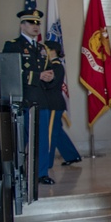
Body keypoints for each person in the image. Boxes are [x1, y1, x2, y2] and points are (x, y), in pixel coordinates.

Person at [2, 9, 59, 184]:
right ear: (22, 25)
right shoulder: (13, 45)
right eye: (31, 23)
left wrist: (49, 77)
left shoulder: (42, 49)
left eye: (37, 23)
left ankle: (40, 173)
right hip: (23, 99)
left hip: (41, 100)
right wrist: (37, 76)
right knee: (21, 140)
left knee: (42, 140)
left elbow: (47, 70)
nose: (35, 26)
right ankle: (19, 172)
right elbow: (10, 72)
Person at [38, 42, 82, 175]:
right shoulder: (54, 65)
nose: (44, 53)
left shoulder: (55, 65)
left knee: (50, 134)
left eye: (46, 50)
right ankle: (72, 155)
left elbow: (51, 84)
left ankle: (48, 162)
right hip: (54, 104)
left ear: (53, 51)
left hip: (52, 104)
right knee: (58, 132)